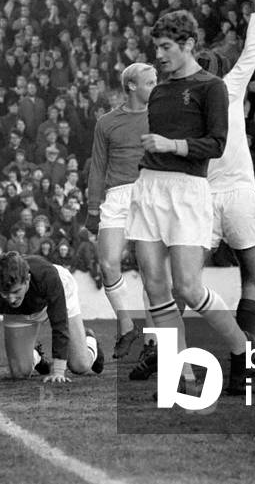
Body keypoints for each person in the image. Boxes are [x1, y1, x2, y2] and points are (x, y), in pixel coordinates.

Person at [124, 3, 248, 396]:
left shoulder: (212, 87)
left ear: (188, 44)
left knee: (190, 288)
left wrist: (171, 144)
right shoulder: (159, 91)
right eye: (156, 47)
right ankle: (178, 374)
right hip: (149, 188)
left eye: (166, 47)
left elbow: (216, 144)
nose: (158, 55)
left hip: (189, 191)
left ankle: (241, 349)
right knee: (155, 287)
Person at [198, 0, 255, 339]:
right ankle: (243, 350)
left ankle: (161, 349)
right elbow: (253, 51)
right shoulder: (229, 87)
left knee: (183, 282)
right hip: (239, 193)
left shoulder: (181, 102)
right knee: (254, 277)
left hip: (202, 198)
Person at [85, 62, 157, 358]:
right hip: (116, 197)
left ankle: (151, 343)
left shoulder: (160, 117)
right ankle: (127, 327)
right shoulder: (107, 122)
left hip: (149, 194)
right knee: (108, 263)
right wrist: (92, 209)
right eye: (149, 82)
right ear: (131, 86)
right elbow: (98, 167)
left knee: (152, 272)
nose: (155, 87)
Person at [0, 251, 104, 382]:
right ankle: (36, 356)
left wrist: (58, 371)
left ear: (27, 279)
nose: (11, 299)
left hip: (58, 293)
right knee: (20, 373)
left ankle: (89, 340)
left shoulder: (48, 276)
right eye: (5, 293)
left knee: (80, 365)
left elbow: (59, 323)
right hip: (21, 311)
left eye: (16, 291)